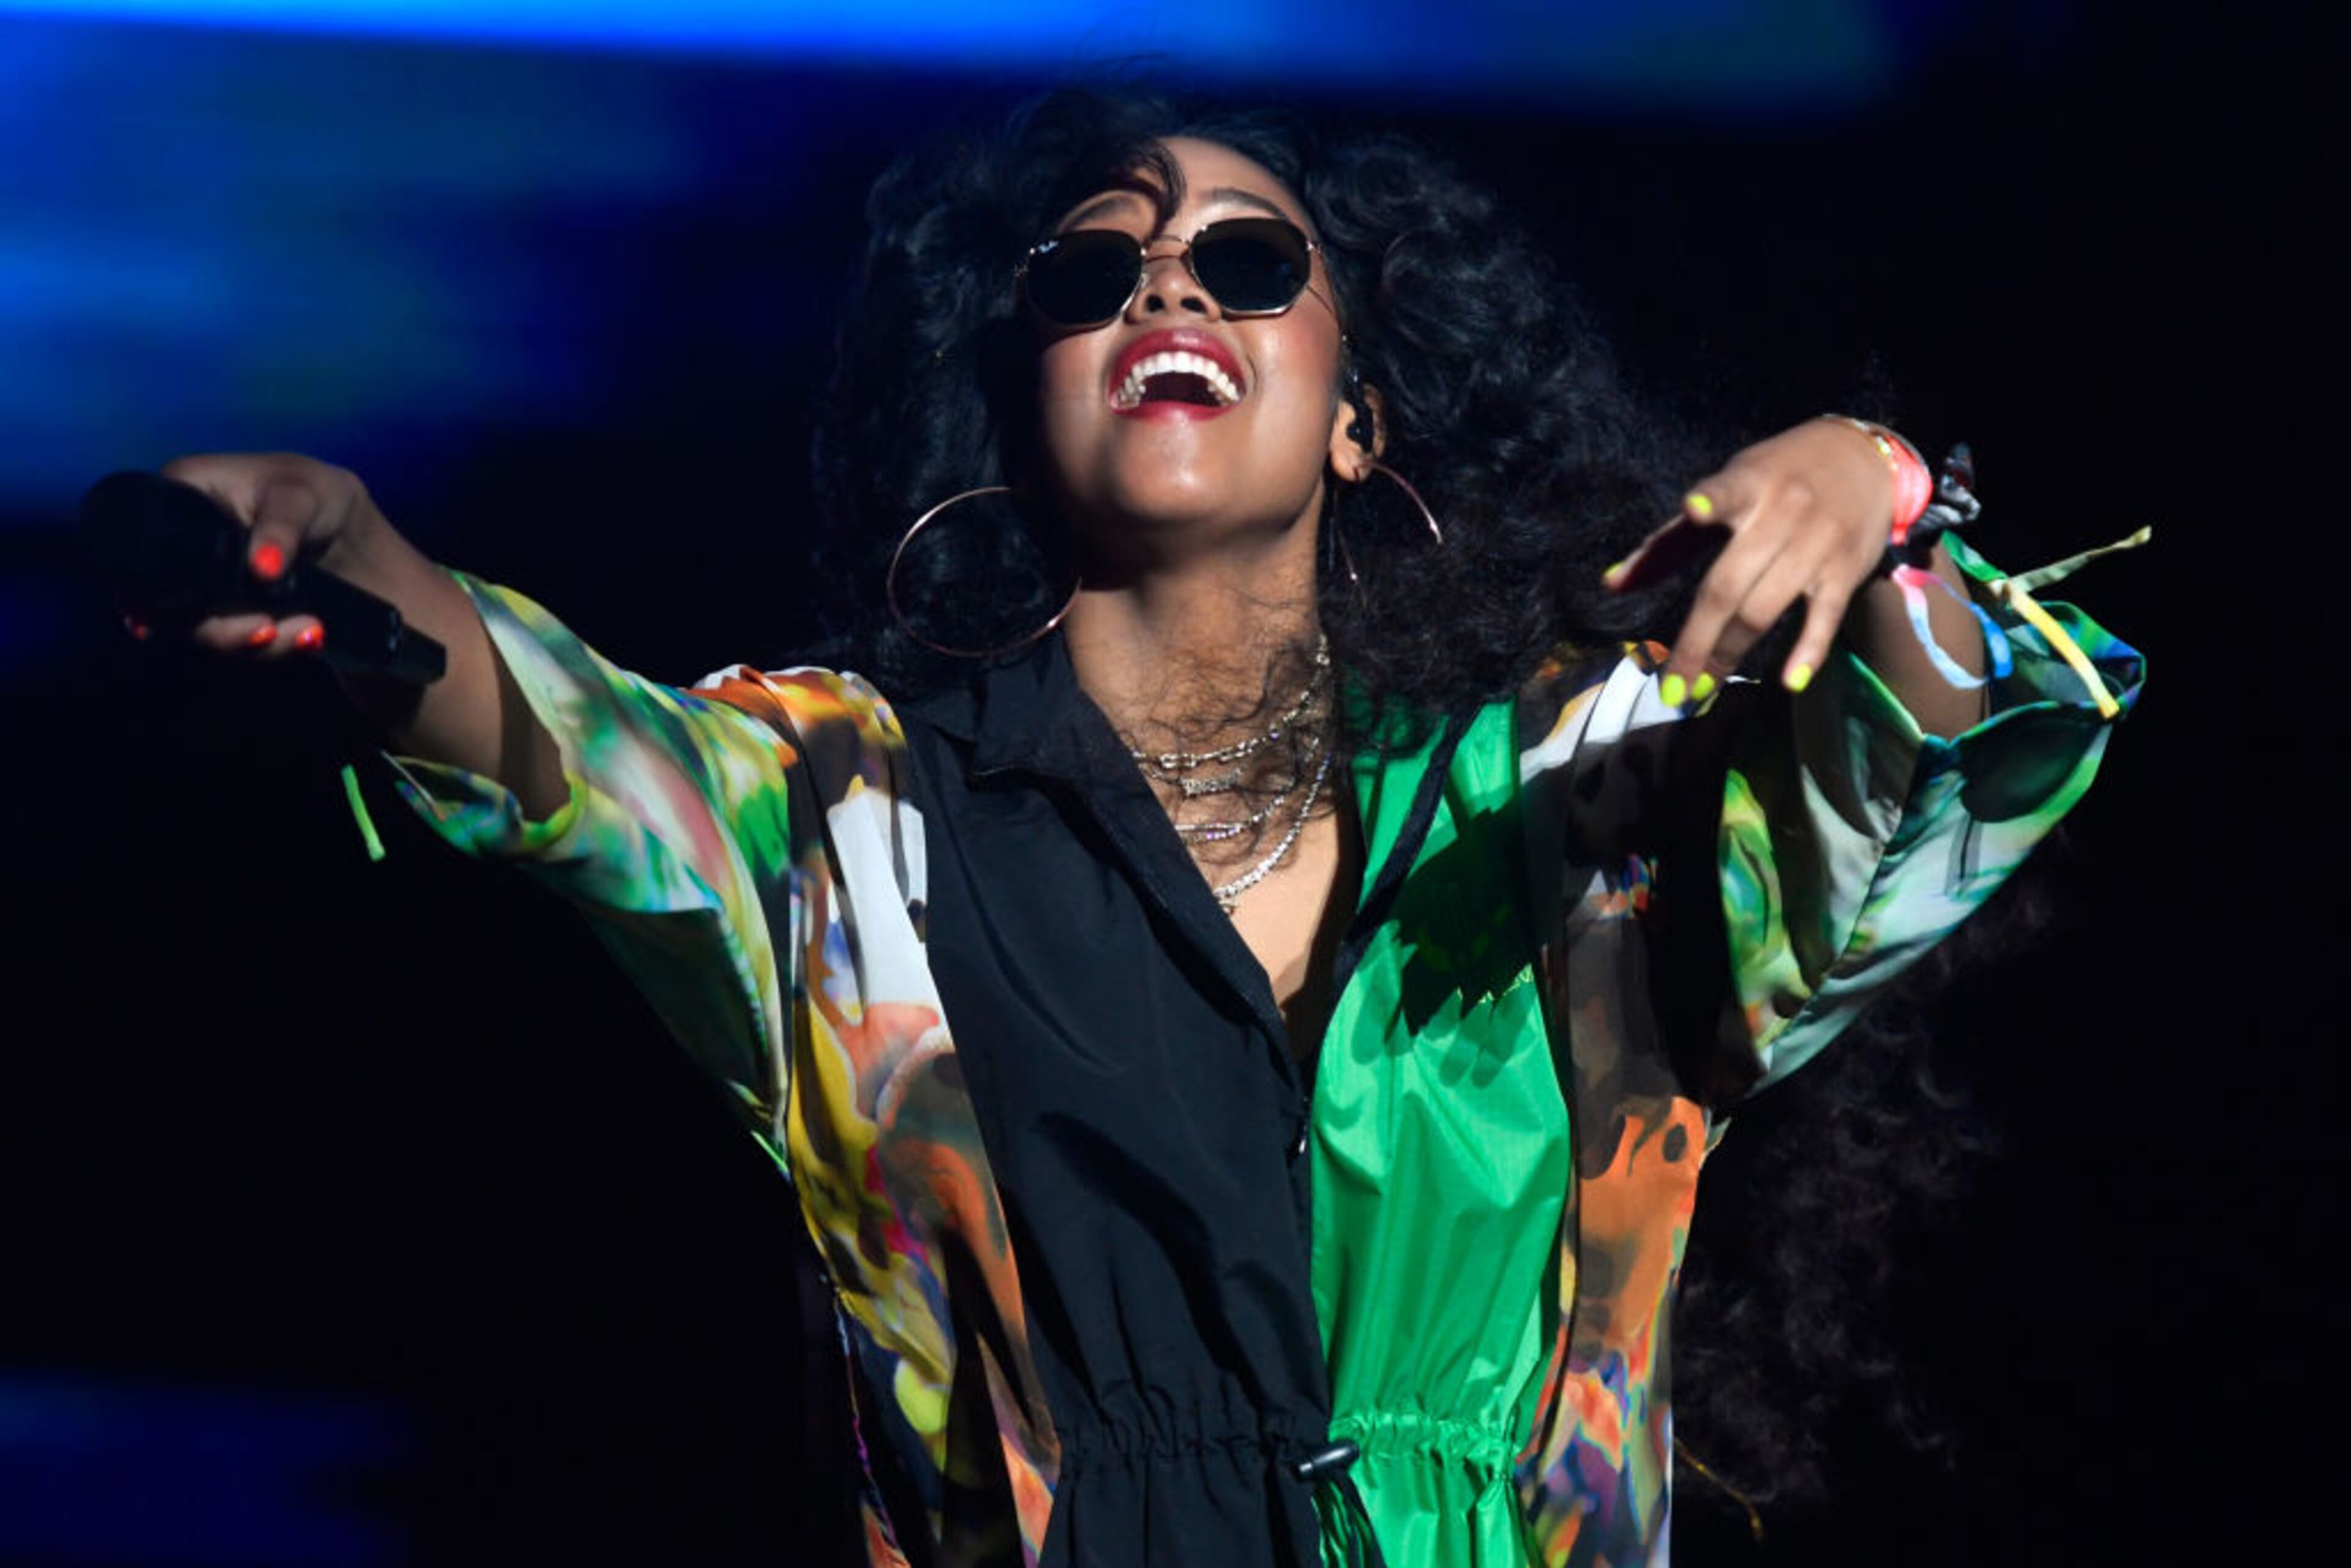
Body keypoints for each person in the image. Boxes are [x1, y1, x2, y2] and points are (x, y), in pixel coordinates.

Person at [160, 91, 2139, 1568]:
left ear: (1356, 414)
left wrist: (1876, 480)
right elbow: (564, 748)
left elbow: (1924, 759)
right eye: (1089, 276)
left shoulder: (1563, 815)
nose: (1168, 283)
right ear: (1019, 412)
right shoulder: (850, 815)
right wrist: (350, 549)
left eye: (1249, 263)